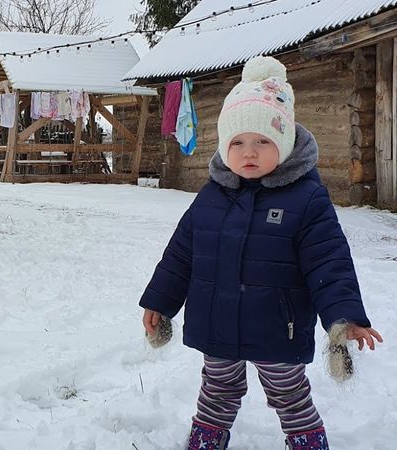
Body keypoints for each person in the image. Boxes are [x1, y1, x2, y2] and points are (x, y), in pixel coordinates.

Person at [138, 56, 383, 450]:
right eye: (237, 142)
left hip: (277, 327)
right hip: (218, 323)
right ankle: (206, 438)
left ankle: (306, 440)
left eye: (262, 141)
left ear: (284, 144)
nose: (248, 152)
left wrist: (344, 317)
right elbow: (181, 255)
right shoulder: (210, 197)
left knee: (289, 394)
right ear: (223, 146)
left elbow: (329, 262)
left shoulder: (307, 199)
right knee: (217, 389)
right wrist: (160, 302)